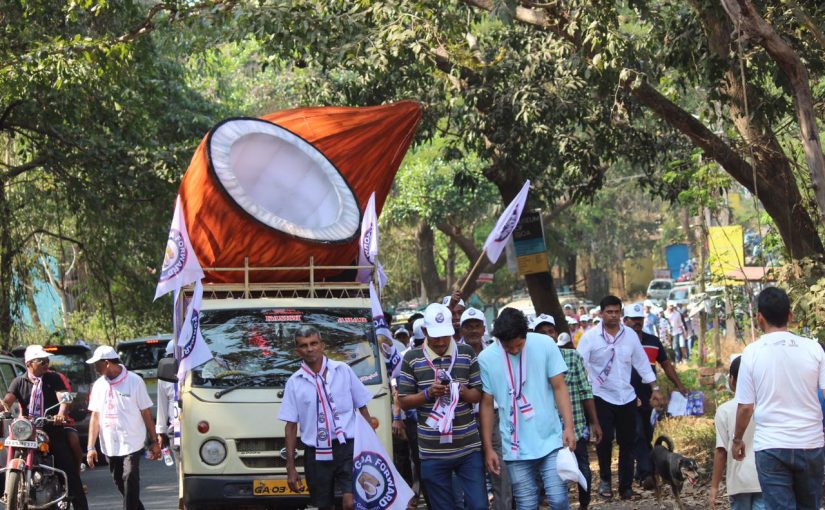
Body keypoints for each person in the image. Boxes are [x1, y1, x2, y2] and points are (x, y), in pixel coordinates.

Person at [732, 287, 825, 509]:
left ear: (759, 318)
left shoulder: (752, 353)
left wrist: (737, 439)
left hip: (771, 447)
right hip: (811, 444)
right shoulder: (814, 349)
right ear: (790, 316)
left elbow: (745, 407)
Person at [479, 308, 576, 509]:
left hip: (550, 438)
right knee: (526, 503)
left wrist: (569, 427)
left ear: (526, 335)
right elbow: (487, 405)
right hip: (514, 445)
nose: (514, 350)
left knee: (558, 499)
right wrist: (488, 448)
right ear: (498, 340)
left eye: (519, 345)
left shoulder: (545, 344)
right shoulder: (486, 358)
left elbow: (559, 386)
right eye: (508, 347)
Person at [397, 303, 485, 510]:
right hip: (432, 451)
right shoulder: (412, 357)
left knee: (478, 505)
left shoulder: (466, 353)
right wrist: (428, 394)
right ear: (425, 332)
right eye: (435, 336)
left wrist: (463, 392)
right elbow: (403, 400)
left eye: (445, 335)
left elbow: (478, 394)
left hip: (468, 447)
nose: (441, 341)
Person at [577, 296, 663, 501]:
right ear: (601, 313)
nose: (613, 316)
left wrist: (655, 388)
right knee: (604, 440)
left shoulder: (630, 335)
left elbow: (642, 363)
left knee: (628, 442)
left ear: (621, 313)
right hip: (601, 396)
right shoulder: (590, 338)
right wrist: (584, 391)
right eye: (609, 312)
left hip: (626, 395)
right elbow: (580, 365)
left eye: (617, 312)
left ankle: (626, 487)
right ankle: (605, 480)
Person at [279, 326, 374, 510]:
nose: (310, 349)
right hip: (316, 454)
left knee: (351, 502)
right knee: (323, 506)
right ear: (298, 351)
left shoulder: (343, 370)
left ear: (322, 345)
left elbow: (362, 408)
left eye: (314, 343)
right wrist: (290, 467)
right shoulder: (294, 382)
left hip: (348, 448)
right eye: (304, 345)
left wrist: (371, 447)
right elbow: (290, 426)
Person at [4, 345, 89, 510]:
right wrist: (3, 408)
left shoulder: (54, 379)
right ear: (29, 364)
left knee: (68, 470)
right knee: (10, 443)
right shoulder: (19, 382)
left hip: (52, 429)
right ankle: (11, 488)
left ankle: (78, 501)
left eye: (46, 360)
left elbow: (64, 398)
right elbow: (7, 401)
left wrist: (61, 413)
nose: (46, 363)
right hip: (28, 431)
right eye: (41, 361)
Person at [86, 345, 160, 510]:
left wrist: (154, 441)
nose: (94, 368)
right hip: (110, 444)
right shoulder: (98, 385)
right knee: (121, 482)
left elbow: (146, 412)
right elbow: (95, 417)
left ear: (106, 363)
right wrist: (91, 447)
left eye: (96, 364)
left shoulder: (134, 381)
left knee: (129, 477)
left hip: (132, 441)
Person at [624, 302, 688, 488]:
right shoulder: (620, 343)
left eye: (639, 320)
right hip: (628, 396)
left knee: (647, 433)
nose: (637, 323)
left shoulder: (653, 341)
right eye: (633, 320)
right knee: (638, 434)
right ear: (625, 321)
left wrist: (679, 385)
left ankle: (641, 470)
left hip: (651, 397)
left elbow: (666, 364)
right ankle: (647, 474)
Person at [544, 317, 603, 509]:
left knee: (581, 466)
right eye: (542, 332)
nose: (547, 336)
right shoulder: (530, 363)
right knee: (552, 470)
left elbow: (585, 390)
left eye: (550, 331)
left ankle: (584, 504)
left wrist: (594, 422)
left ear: (556, 334)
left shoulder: (572, 357)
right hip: (547, 429)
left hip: (575, 424)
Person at [462, 307, 513, 510]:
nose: (473, 330)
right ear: (461, 329)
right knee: (471, 471)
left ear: (484, 328)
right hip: (465, 418)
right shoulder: (454, 353)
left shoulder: (498, 351)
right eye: (468, 326)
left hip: (495, 416)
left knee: (500, 468)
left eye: (477, 326)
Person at [710, 356, 763, 510]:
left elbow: (721, 452)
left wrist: (714, 487)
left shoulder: (724, 410)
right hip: (764, 478)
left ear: (732, 380)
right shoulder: (766, 406)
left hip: (738, 482)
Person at [156, 342, 178, 465]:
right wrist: (161, 431)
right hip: (176, 428)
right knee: (181, 466)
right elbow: (162, 405)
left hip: (199, 425)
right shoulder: (165, 375)